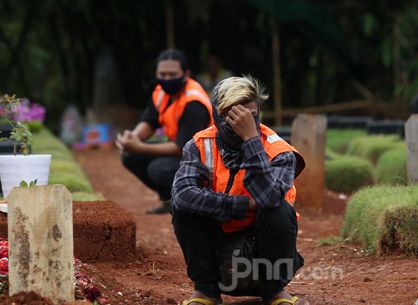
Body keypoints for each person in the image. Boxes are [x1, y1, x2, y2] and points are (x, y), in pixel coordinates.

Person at [171, 76, 309, 305]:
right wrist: (242, 205)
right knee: (183, 207)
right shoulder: (199, 144)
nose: (242, 122)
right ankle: (206, 292)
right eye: (233, 115)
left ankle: (274, 292)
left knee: (279, 210)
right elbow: (183, 195)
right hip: (217, 246)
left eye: (251, 116)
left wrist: (251, 141)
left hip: (262, 250)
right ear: (217, 115)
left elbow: (269, 198)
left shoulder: (279, 151)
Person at [116, 48, 213, 214]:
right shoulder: (162, 93)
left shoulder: (193, 102)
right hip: (181, 151)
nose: (166, 79)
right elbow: (150, 121)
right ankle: (169, 200)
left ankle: (196, 199)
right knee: (130, 156)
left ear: (186, 73)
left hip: (206, 159)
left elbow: (181, 147)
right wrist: (132, 137)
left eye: (172, 74)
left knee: (159, 169)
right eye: (162, 74)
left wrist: (139, 146)